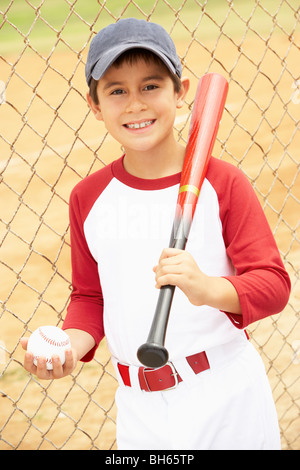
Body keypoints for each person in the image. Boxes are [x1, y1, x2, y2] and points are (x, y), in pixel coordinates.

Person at [21, 18, 291, 450]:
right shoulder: (89, 197)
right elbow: (90, 297)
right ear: (94, 105)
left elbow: (274, 284)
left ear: (181, 91)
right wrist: (70, 345)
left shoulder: (222, 183)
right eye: (116, 91)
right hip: (138, 408)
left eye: (150, 86)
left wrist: (208, 288)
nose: (135, 104)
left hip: (224, 397)